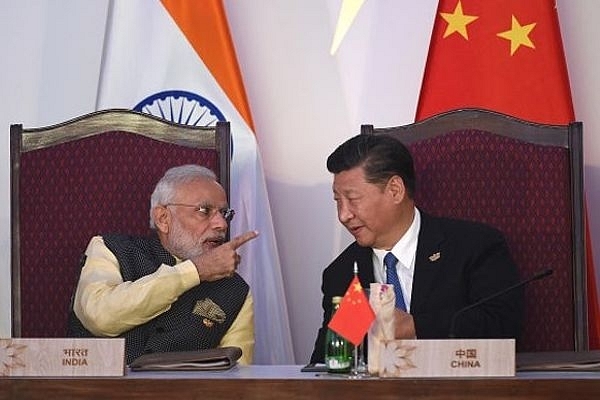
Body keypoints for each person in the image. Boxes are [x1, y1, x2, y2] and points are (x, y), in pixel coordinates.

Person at [310, 134, 523, 363]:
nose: (344, 215)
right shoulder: (342, 273)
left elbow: (503, 325)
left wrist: (414, 327)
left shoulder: (474, 247)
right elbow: (326, 364)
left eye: (353, 199)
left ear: (395, 190)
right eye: (337, 201)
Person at [68, 164, 258, 365]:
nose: (221, 224)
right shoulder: (110, 249)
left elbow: (237, 378)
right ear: (163, 218)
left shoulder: (235, 290)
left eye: (224, 213)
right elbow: (100, 318)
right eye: (204, 211)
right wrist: (195, 271)